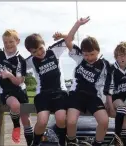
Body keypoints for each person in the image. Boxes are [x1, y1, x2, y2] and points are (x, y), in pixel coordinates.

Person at [24, 16, 89, 146]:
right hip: (43, 94)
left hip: (60, 92)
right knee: (42, 122)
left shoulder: (54, 51)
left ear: (44, 45)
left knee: (60, 119)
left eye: (40, 48)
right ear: (30, 52)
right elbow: (15, 66)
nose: (39, 53)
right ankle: (34, 143)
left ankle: (61, 143)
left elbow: (69, 39)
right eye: (35, 51)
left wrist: (77, 24)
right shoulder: (30, 61)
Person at [64, 16, 112, 146]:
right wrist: (77, 24)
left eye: (92, 54)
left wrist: (108, 100)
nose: (89, 57)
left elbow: (109, 85)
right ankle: (72, 142)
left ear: (98, 51)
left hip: (93, 97)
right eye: (86, 54)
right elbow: (68, 40)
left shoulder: (105, 65)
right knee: (71, 121)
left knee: (104, 121)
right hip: (77, 95)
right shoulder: (80, 58)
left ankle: (97, 143)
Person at [0, 29, 33, 145]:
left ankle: (31, 143)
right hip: (7, 91)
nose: (8, 45)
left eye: (11, 42)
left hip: (20, 89)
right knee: (15, 105)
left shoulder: (21, 60)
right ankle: (16, 126)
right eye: (5, 42)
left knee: (26, 120)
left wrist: (9, 75)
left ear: (17, 41)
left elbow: (18, 81)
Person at [105, 41, 126, 145]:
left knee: (125, 121)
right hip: (115, 97)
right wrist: (110, 107)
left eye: (125, 55)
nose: (122, 58)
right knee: (122, 107)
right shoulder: (112, 69)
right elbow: (109, 92)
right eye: (119, 56)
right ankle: (117, 138)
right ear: (116, 57)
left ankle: (122, 140)